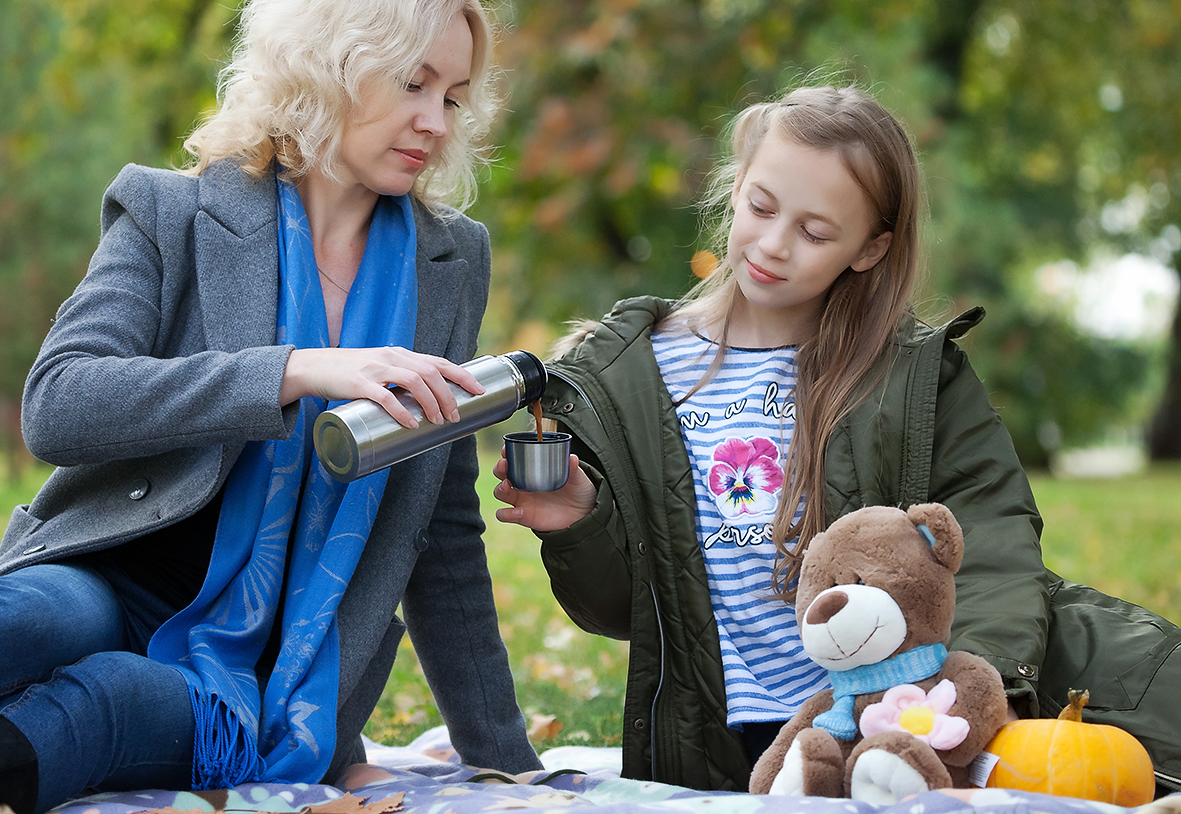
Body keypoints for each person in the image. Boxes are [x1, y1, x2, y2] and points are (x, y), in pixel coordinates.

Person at [0, 0, 542, 814]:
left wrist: (509, 765)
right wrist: (289, 372)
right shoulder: (173, 211)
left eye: (455, 95)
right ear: (330, 63)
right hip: (107, 575)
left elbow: (435, 525)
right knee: (51, 618)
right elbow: (58, 404)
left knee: (111, 702)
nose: (438, 123)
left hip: (273, 674)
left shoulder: (452, 261)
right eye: (413, 84)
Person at [493, 84, 1181, 795]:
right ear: (736, 189)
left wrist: (963, 701)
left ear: (869, 247)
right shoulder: (632, 376)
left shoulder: (913, 377)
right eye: (760, 207)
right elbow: (619, 611)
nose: (772, 244)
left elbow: (992, 544)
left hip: (896, 724)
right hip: (721, 744)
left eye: (815, 233)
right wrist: (581, 522)